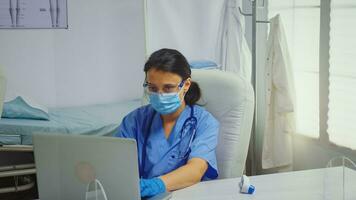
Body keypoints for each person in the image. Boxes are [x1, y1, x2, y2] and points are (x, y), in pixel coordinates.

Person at [115, 48, 219, 197]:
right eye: (153, 88)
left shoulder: (204, 123)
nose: (160, 95)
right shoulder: (134, 121)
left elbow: (196, 170)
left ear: (186, 85)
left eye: (168, 87)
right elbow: (115, 165)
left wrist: (154, 185)